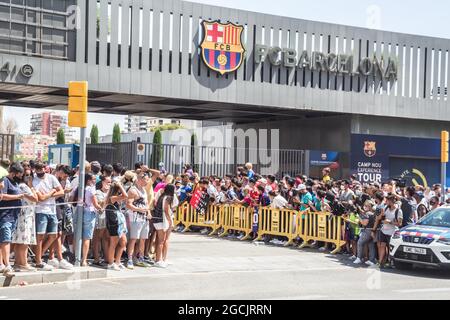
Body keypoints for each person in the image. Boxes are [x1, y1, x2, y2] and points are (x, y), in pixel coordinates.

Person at [33, 161, 65, 271]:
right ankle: (38, 261)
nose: (39, 171)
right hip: (40, 211)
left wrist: (48, 195)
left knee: (53, 235)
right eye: (37, 169)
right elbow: (40, 198)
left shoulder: (51, 178)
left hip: (52, 210)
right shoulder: (34, 180)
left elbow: (61, 192)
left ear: (45, 168)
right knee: (40, 236)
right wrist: (51, 192)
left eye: (41, 169)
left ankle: (39, 255)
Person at [0, 163, 25, 277]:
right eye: (19, 174)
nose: (20, 177)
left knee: (5, 240)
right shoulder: (5, 181)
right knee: (5, 240)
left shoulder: (15, 183)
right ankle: (7, 265)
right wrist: (17, 197)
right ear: (13, 173)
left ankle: (2, 264)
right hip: (6, 216)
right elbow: (2, 196)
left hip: (13, 216)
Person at [12, 170, 39, 272]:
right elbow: (35, 198)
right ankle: (23, 263)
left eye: (30, 175)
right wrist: (32, 186)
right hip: (25, 216)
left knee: (21, 241)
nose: (28, 177)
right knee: (24, 240)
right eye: (26, 175)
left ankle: (18, 263)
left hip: (27, 214)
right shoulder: (24, 186)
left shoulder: (24, 186)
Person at [76, 173, 102, 266]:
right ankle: (83, 260)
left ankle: (77, 257)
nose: (95, 181)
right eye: (93, 179)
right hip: (89, 212)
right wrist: (100, 208)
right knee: (87, 238)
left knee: (79, 235)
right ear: (88, 180)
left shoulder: (80, 188)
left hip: (80, 211)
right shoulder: (91, 188)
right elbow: (95, 203)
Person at [126, 171, 151, 269]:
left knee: (143, 239)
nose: (147, 181)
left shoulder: (144, 190)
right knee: (133, 239)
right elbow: (128, 204)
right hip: (135, 218)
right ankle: (130, 259)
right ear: (140, 179)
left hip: (144, 218)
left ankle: (141, 258)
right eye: (146, 179)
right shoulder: (133, 190)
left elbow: (146, 203)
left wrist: (148, 212)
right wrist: (140, 209)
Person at [104, 179, 128, 271]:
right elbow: (125, 196)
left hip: (119, 222)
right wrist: (120, 186)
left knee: (123, 242)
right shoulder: (112, 197)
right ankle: (110, 263)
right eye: (120, 188)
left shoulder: (116, 197)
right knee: (113, 243)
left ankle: (117, 261)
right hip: (114, 223)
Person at [152, 184, 176, 268]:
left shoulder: (162, 196)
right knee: (161, 241)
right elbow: (166, 210)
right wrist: (170, 221)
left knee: (160, 241)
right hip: (161, 220)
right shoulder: (168, 197)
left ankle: (159, 259)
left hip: (158, 220)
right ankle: (158, 260)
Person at [376, 194, 403, 268]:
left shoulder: (398, 211)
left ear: (391, 201)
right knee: (382, 246)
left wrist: (390, 222)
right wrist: (381, 215)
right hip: (383, 230)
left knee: (390, 248)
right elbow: (379, 218)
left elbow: (399, 224)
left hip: (392, 232)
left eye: (387, 200)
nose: (385, 202)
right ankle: (380, 262)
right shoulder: (385, 208)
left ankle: (390, 262)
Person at [92, 175, 110, 265]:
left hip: (109, 218)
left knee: (106, 238)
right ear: (102, 182)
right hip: (101, 217)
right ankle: (96, 258)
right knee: (97, 238)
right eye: (107, 182)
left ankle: (107, 258)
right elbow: (100, 204)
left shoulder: (112, 192)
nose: (109, 184)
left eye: (110, 182)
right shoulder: (97, 192)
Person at [354, 200, 377, 266]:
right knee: (371, 245)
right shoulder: (372, 213)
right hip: (372, 231)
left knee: (359, 242)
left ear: (370, 207)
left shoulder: (368, 214)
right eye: (365, 205)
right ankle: (371, 260)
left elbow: (364, 223)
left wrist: (359, 218)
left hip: (368, 230)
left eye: (366, 206)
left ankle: (359, 258)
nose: (365, 207)